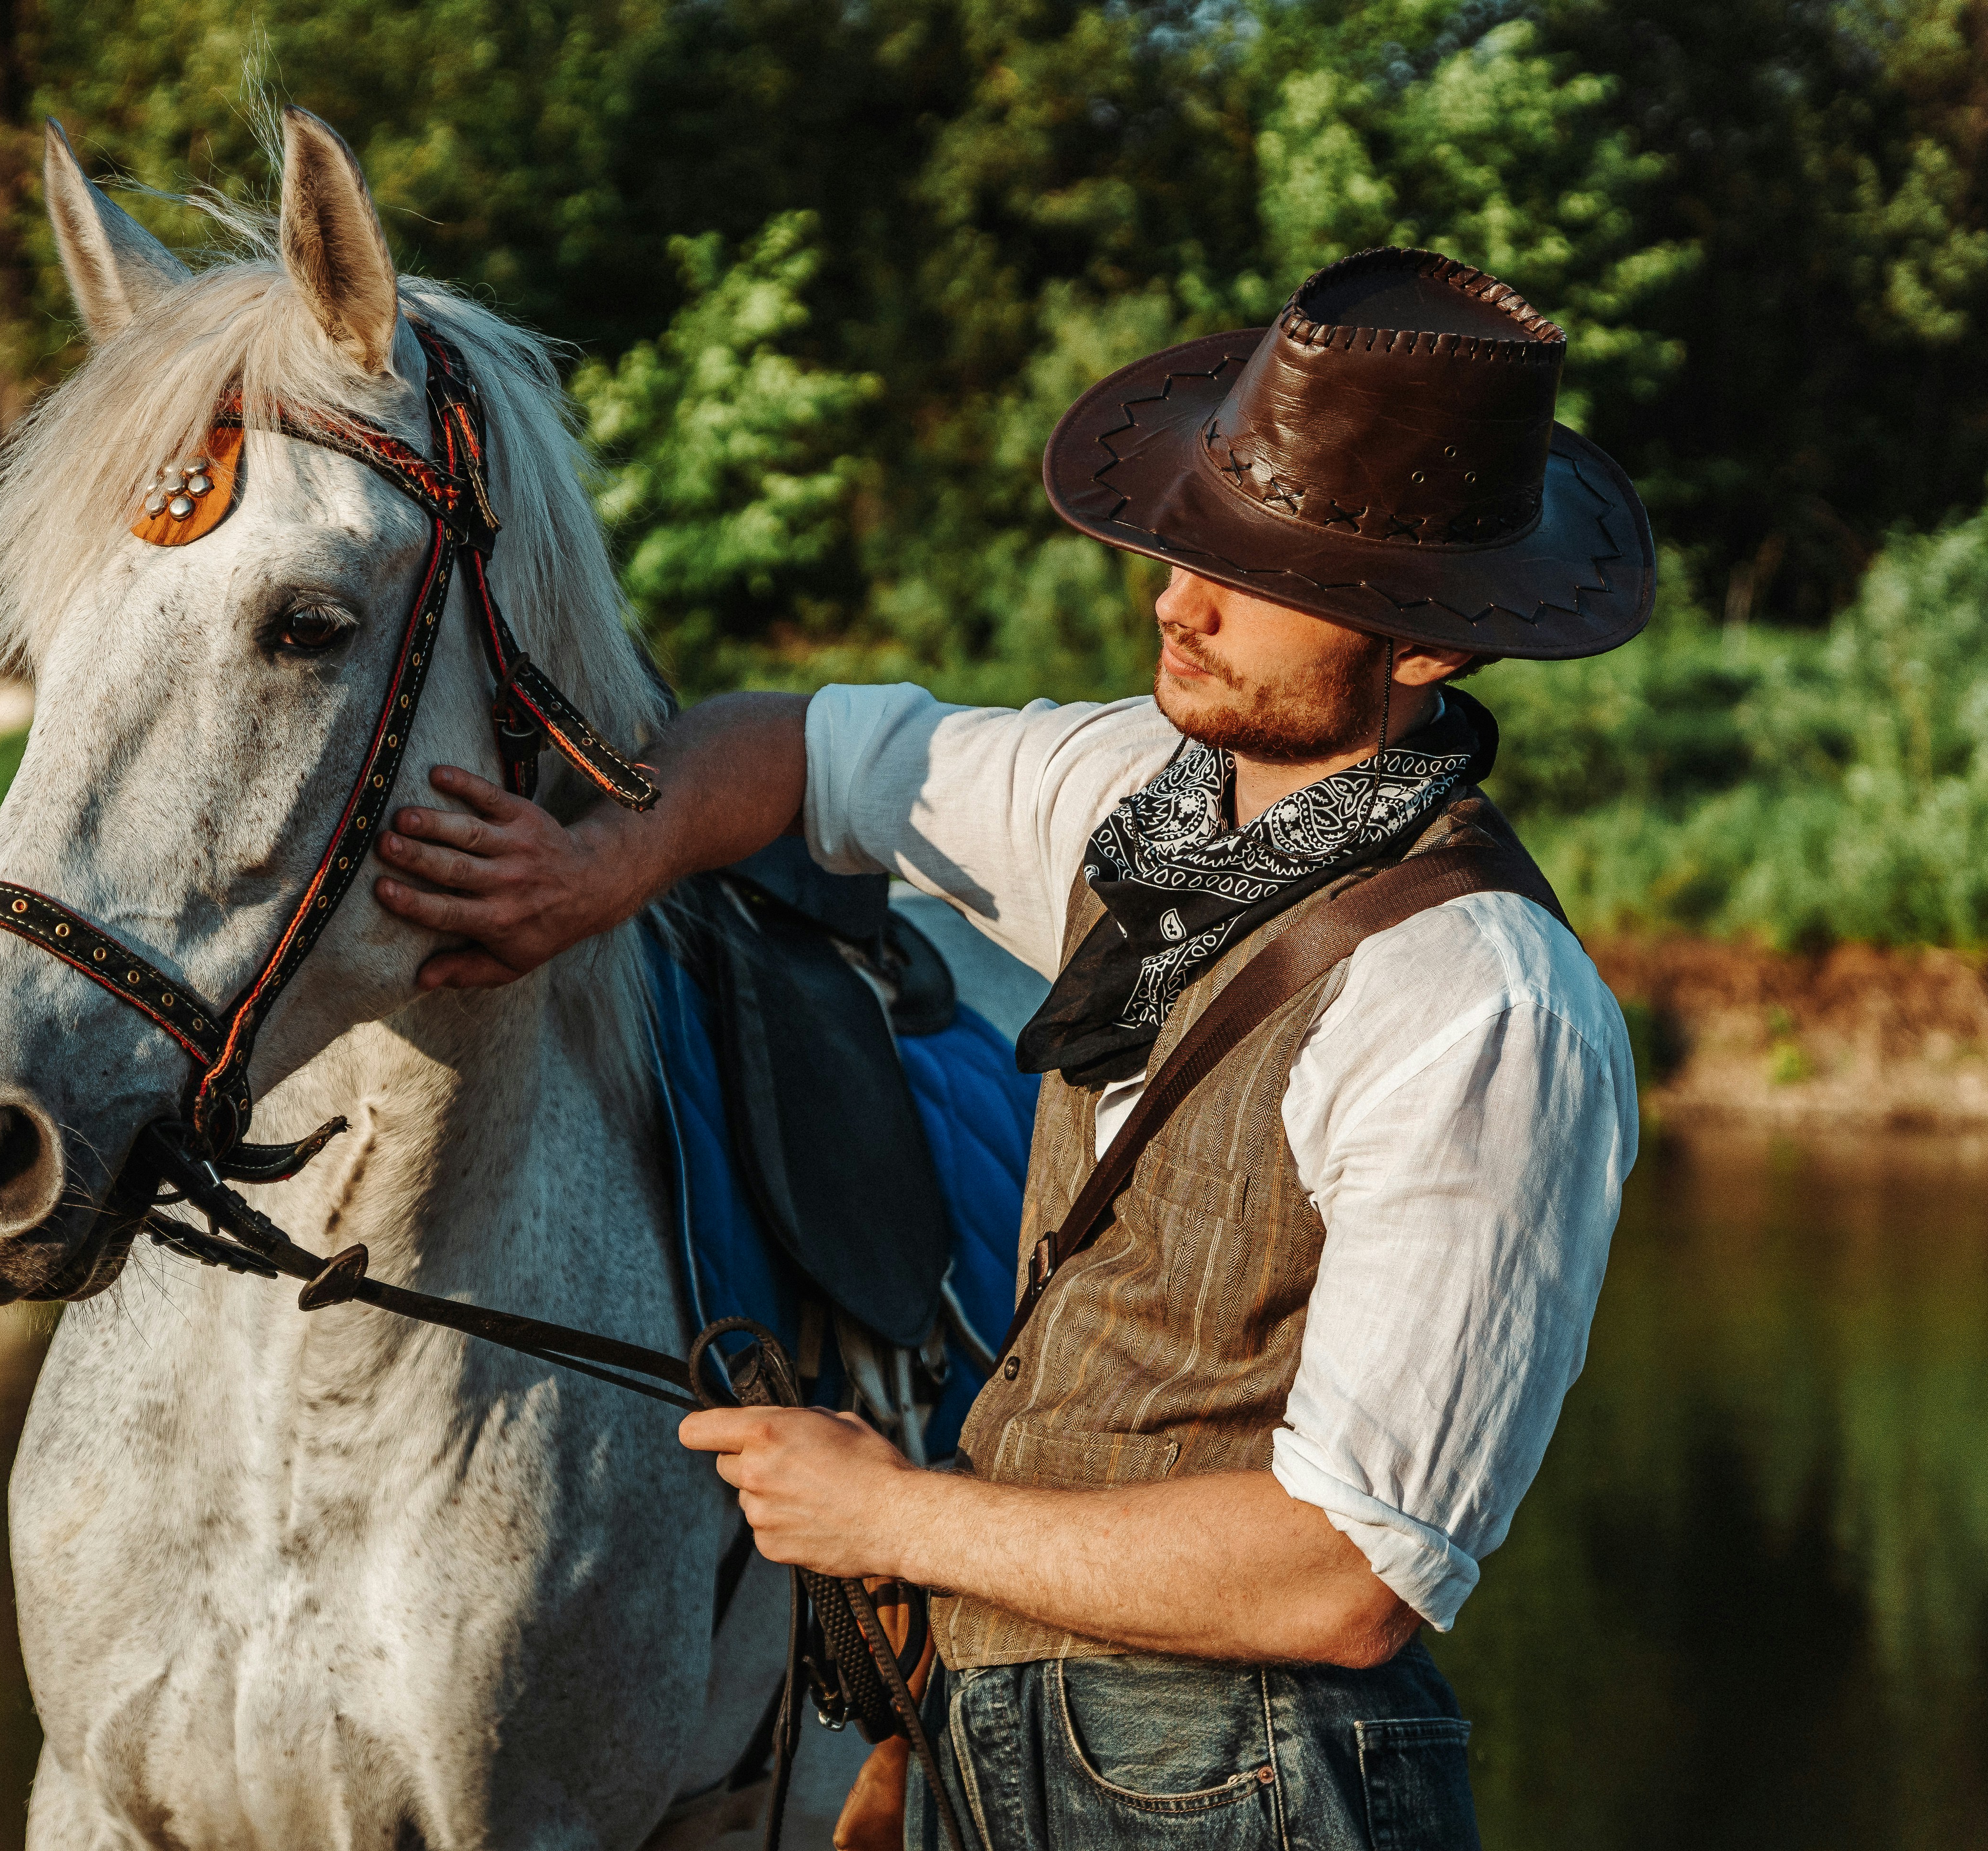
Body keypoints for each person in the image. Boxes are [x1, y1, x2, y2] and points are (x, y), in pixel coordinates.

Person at [371, 247, 1645, 1851]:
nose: (1177, 602)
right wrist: (594, 870)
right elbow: (799, 746)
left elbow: (1346, 1575)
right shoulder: (1139, 794)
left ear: (1431, 644)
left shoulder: (1480, 1007)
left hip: (1264, 1795)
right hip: (1001, 1762)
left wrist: (889, 1517)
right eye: (1192, 545)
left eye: (1260, 576)